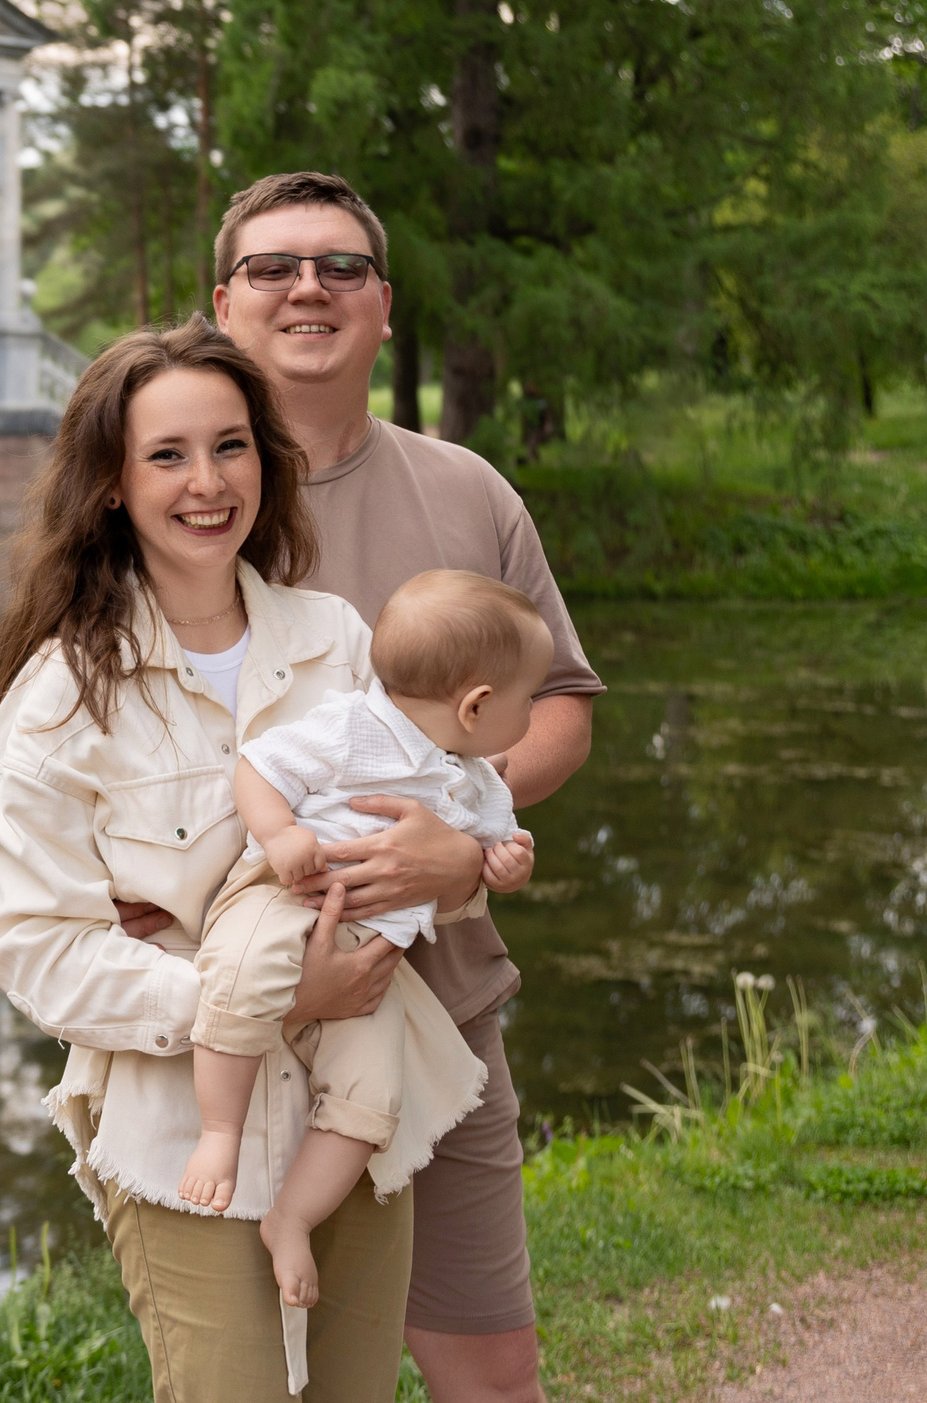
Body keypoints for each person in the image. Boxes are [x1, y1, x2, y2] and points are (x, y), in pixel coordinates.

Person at [124, 171, 605, 1403]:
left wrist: (459, 834)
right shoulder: (170, 503)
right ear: (219, 303)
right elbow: (82, 757)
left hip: (436, 1004)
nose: (309, 288)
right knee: (266, 1383)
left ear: (384, 306)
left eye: (341, 266)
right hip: (226, 1025)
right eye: (273, 267)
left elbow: (559, 707)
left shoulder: (466, 491)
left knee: (488, 1372)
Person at [0, 318, 414, 1403]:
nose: (206, 483)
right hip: (180, 1144)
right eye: (166, 455)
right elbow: (36, 950)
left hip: (354, 1118)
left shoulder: (337, 642)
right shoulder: (63, 699)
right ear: (111, 486)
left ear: (266, 458)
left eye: (230, 446)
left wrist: (437, 859)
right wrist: (253, 990)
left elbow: (410, 828)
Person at [183, 569, 555, 1372]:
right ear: (476, 705)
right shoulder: (352, 726)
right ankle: (220, 1132)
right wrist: (280, 833)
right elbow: (259, 767)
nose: (532, 717)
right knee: (240, 974)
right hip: (287, 897)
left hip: (372, 959)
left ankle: (292, 1217)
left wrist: (507, 862)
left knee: (373, 1095)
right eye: (528, 700)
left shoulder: (477, 778)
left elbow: (493, 847)